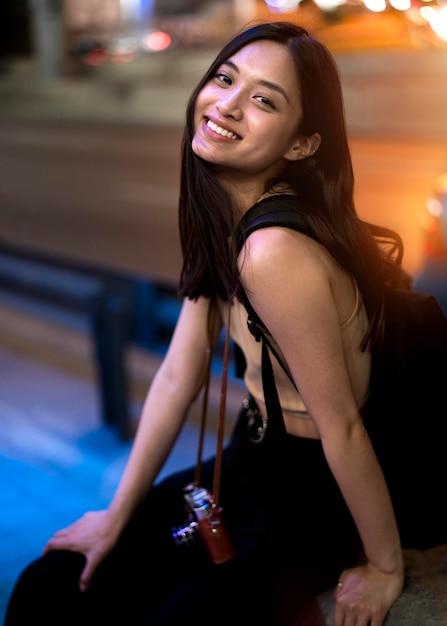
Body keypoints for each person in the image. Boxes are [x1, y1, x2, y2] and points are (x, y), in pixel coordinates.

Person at [4, 20, 409, 626]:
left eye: (264, 100)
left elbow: (344, 429)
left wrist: (385, 567)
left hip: (307, 499)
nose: (227, 105)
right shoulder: (225, 220)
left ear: (301, 144)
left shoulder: (273, 251)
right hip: (245, 462)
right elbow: (177, 377)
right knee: (53, 586)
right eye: (225, 78)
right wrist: (114, 518)